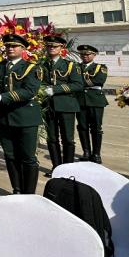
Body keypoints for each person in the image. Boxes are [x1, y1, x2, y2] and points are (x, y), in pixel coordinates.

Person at [0, 34, 43, 195]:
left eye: (14, 46)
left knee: (28, 156)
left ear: (23, 49)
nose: (10, 49)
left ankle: (29, 192)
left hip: (25, 117)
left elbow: (29, 90)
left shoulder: (31, 68)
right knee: (10, 155)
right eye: (8, 46)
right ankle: (17, 189)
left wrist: (2, 97)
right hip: (4, 117)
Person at [40, 35, 83, 175]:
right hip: (49, 106)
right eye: (49, 46)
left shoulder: (70, 65)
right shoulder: (42, 65)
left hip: (66, 106)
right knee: (52, 139)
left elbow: (78, 85)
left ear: (61, 48)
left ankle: (68, 169)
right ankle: (56, 168)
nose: (51, 48)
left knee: (68, 139)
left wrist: (55, 89)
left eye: (55, 46)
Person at [76, 44, 109, 163]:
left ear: (94, 55)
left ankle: (96, 154)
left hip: (95, 101)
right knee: (82, 127)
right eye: (82, 54)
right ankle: (86, 152)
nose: (84, 56)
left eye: (87, 54)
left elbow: (99, 81)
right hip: (80, 100)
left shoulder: (101, 67)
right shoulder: (75, 67)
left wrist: (78, 83)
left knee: (96, 128)